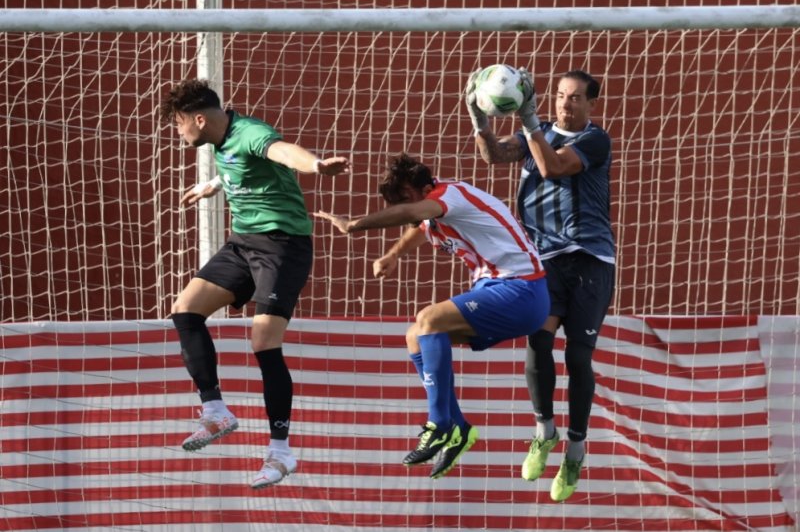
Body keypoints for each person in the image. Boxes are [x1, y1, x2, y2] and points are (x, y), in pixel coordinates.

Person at [159, 79, 350, 489]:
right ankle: (215, 411)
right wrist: (211, 186)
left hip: (283, 245)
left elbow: (279, 151)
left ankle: (281, 453)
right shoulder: (219, 137)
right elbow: (240, 166)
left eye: (178, 125)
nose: (178, 133)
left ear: (198, 119)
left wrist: (315, 165)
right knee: (185, 310)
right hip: (244, 244)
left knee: (263, 341)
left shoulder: (252, 132)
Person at [314, 153, 549, 479]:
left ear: (425, 188)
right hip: (503, 291)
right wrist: (391, 255)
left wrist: (353, 225)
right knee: (416, 335)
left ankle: (439, 425)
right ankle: (459, 428)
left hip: (522, 291)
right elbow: (418, 224)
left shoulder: (448, 196)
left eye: (404, 197)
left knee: (428, 318)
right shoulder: (432, 209)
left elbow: (413, 213)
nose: (400, 204)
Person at [466, 68, 614, 501]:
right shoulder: (536, 131)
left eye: (575, 98)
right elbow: (494, 155)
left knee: (578, 357)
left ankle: (575, 449)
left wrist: (531, 124)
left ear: (590, 105)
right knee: (538, 342)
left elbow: (552, 168)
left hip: (588, 258)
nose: (566, 104)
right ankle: (543, 430)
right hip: (542, 260)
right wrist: (478, 118)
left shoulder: (593, 140)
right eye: (561, 96)